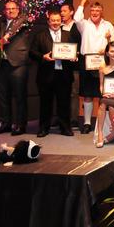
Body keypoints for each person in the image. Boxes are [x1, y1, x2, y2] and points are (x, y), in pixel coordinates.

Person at [29, 9, 75, 137]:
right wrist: (42, 56)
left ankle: (65, 128)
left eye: (58, 20)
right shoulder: (40, 35)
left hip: (64, 75)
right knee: (45, 103)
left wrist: (74, 57)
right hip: (46, 75)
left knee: (64, 103)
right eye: (53, 20)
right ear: (48, 21)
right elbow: (32, 52)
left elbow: (74, 51)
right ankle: (44, 128)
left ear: (61, 21)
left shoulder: (68, 35)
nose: (55, 23)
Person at [74, 0, 114, 134]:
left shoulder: (108, 25)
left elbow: (113, 43)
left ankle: (102, 123)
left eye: (97, 10)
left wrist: (108, 42)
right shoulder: (84, 24)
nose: (95, 12)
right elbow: (76, 18)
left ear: (101, 11)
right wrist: (83, 2)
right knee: (87, 94)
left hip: (103, 62)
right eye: (92, 10)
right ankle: (87, 123)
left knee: (103, 94)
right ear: (89, 11)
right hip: (86, 62)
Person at [0, 0, 31, 135]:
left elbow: (16, 27)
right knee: (3, 96)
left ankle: (20, 125)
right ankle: (5, 123)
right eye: (8, 9)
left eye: (13, 8)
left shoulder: (23, 21)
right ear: (4, 11)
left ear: (18, 10)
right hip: (2, 63)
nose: (10, 11)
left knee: (20, 96)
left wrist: (4, 38)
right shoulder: (1, 24)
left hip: (18, 64)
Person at [60, 2, 82, 130]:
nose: (62, 13)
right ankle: (61, 118)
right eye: (61, 11)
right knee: (61, 92)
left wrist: (77, 53)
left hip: (74, 66)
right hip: (60, 65)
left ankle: (73, 120)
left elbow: (82, 43)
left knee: (74, 93)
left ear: (72, 12)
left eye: (64, 11)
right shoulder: (59, 27)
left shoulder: (78, 26)